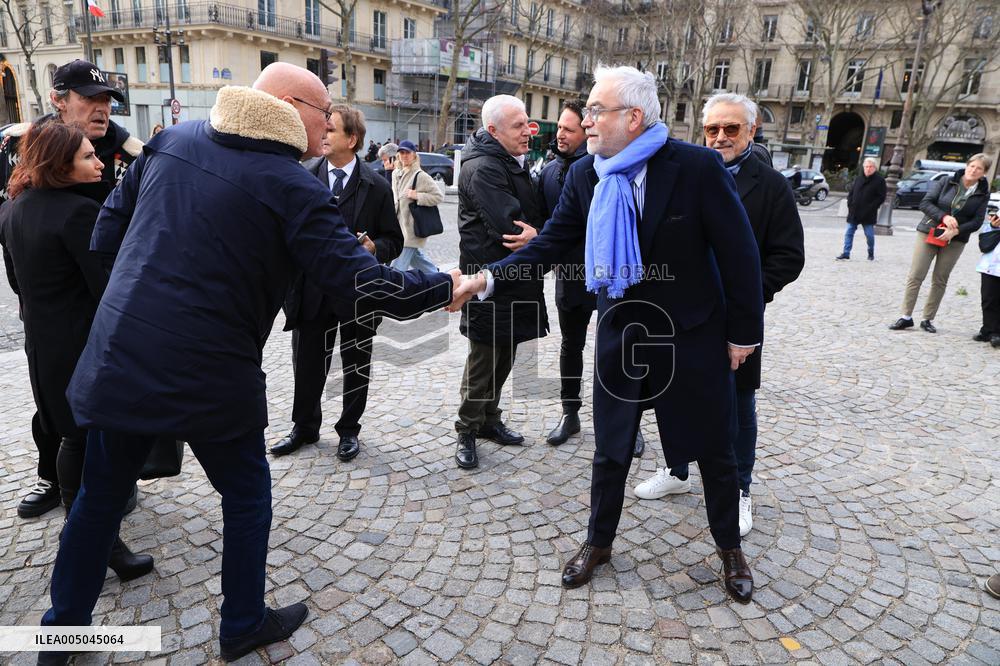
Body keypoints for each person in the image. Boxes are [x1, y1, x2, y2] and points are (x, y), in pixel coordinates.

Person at [39, 63, 457, 665]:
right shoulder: (294, 185)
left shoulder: (172, 141)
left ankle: (60, 637)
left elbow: (109, 232)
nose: (329, 117)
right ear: (289, 107)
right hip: (213, 370)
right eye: (323, 106)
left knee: (100, 497)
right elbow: (364, 287)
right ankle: (241, 624)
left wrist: (137, 300)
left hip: (125, 354)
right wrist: (446, 287)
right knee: (246, 495)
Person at [451, 65, 764, 603]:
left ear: (634, 117)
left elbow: (740, 256)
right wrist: (485, 279)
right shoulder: (585, 175)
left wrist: (742, 336)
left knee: (714, 449)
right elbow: (549, 245)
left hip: (691, 333)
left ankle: (729, 548)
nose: (585, 121)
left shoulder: (695, 168)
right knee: (611, 449)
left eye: (597, 111)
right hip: (622, 330)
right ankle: (598, 543)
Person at [633, 93, 805, 539]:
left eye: (731, 128)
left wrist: (745, 295)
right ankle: (676, 470)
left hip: (732, 319)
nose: (721, 137)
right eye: (713, 129)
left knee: (738, 406)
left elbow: (788, 256)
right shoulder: (681, 172)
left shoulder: (770, 186)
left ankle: (739, 490)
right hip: (680, 316)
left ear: (751, 131)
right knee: (672, 394)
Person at [0, 123, 154, 583]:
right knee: (88, 442)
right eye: (88, 157)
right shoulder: (78, 213)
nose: (100, 162)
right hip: (84, 347)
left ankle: (98, 541)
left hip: (42, 344)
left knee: (72, 436)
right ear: (61, 164)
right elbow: (107, 289)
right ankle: (91, 540)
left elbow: (15, 284)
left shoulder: (12, 210)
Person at [271, 104, 402, 461]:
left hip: (358, 294)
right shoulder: (303, 174)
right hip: (312, 292)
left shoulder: (376, 186)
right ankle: (304, 427)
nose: (323, 135)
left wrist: (376, 246)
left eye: (331, 130)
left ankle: (348, 430)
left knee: (356, 363)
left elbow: (395, 240)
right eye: (324, 129)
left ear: (352, 139)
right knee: (308, 364)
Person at [454, 94, 548, 470]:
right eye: (518, 126)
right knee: (483, 360)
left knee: (505, 354)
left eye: (527, 123)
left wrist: (537, 233)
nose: (528, 131)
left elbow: (529, 224)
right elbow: (511, 230)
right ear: (493, 131)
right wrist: (542, 233)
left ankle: (490, 420)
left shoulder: (508, 160)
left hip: (512, 279)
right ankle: (466, 429)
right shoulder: (485, 167)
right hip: (489, 282)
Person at [889, 154, 992, 334]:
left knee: (940, 279)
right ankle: (905, 317)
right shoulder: (946, 181)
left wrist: (957, 230)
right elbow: (925, 203)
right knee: (916, 274)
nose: (973, 170)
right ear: (967, 165)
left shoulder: (983, 193)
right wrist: (944, 216)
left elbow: (977, 221)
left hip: (955, 239)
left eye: (979, 168)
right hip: (929, 231)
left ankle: (927, 319)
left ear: (984, 173)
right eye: (972, 166)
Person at [390, 140, 444, 273]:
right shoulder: (395, 174)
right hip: (398, 226)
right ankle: (438, 278)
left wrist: (418, 195)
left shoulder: (421, 176)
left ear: (414, 155)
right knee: (417, 260)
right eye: (401, 153)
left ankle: (392, 288)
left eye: (407, 153)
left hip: (412, 229)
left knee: (397, 267)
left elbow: (438, 196)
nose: (404, 156)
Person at [837, 157, 885, 261]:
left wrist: (872, 207)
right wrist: (850, 204)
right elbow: (851, 193)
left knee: (869, 235)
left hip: (868, 213)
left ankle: (870, 252)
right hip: (854, 211)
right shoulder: (859, 178)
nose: (868, 169)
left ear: (875, 168)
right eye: (866, 166)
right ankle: (846, 253)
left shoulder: (880, 180)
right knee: (849, 232)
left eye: (870, 167)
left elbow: (881, 197)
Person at [974, 206, 1000, 347]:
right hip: (991, 263)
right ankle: (987, 329)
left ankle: (996, 332)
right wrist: (992, 225)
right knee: (988, 298)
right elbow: (985, 233)